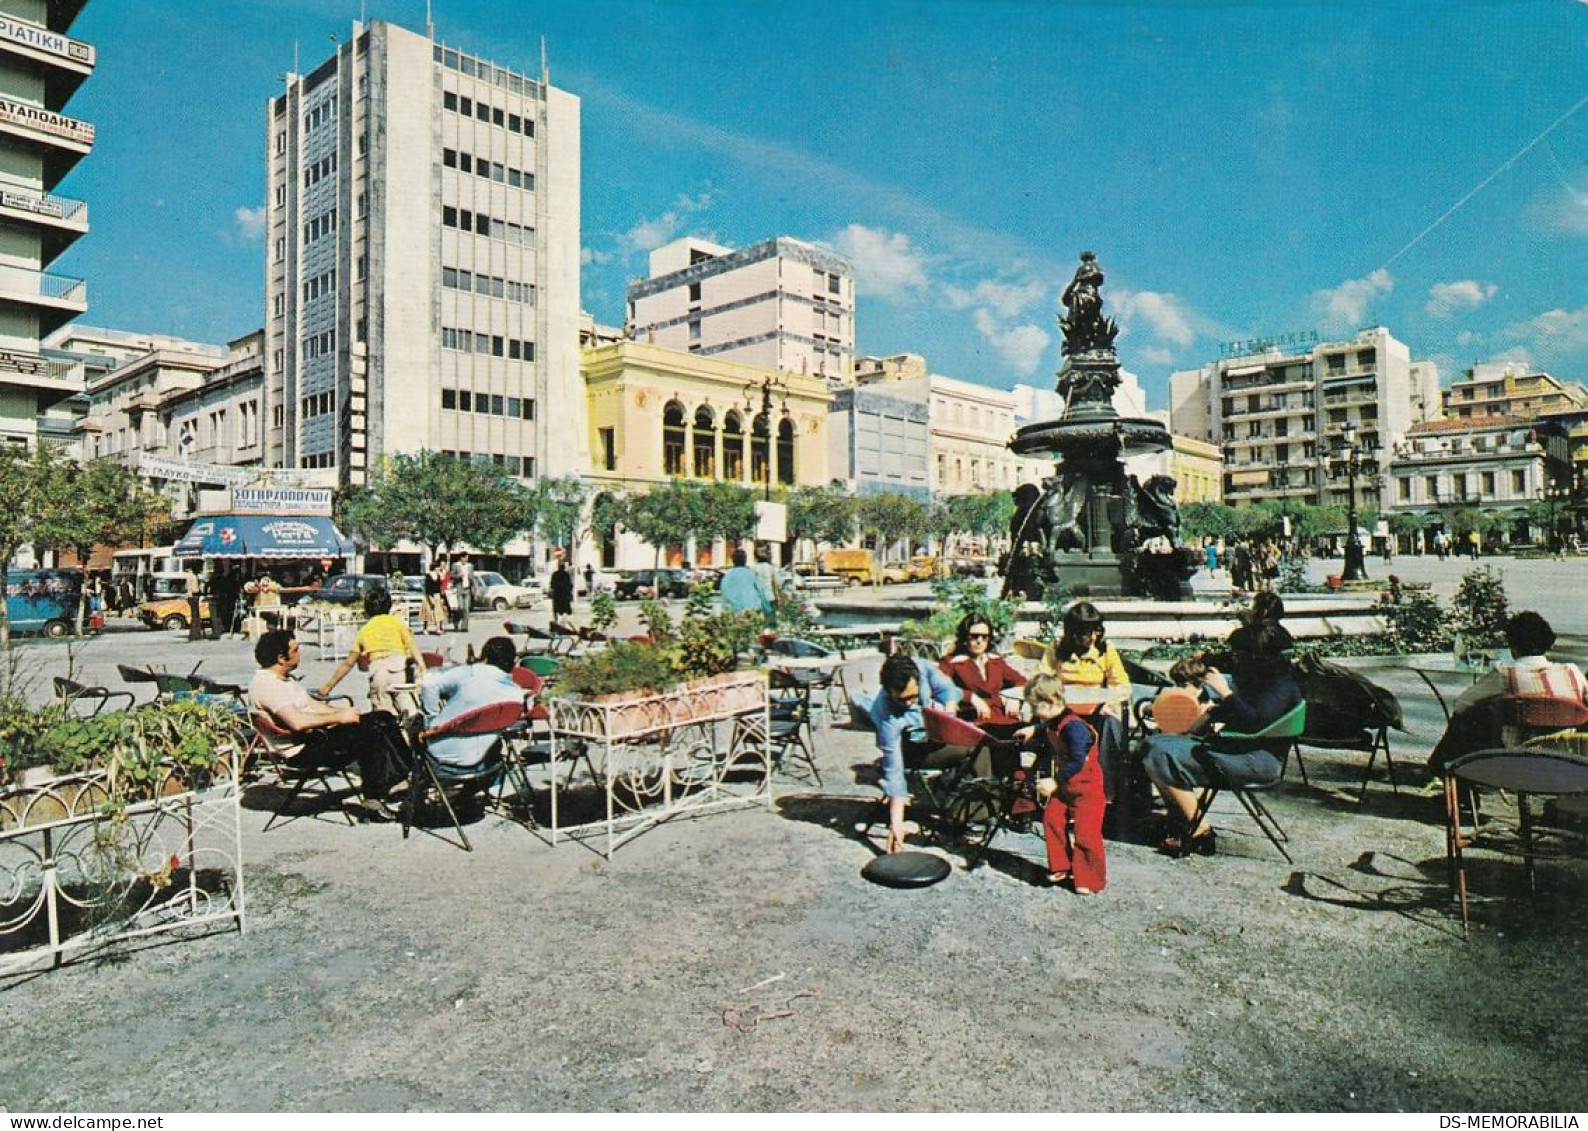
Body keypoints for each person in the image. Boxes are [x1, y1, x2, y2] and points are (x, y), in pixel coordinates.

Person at [1139, 621, 1302, 856]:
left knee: (1158, 752)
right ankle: (1181, 821)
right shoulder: (1268, 679)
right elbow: (1240, 711)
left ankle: (1199, 832)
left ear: (1257, 655)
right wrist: (1209, 715)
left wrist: (1225, 693)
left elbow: (1254, 722)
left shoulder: (1279, 686)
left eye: (1239, 654)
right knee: (1155, 744)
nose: (1235, 660)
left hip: (1256, 762)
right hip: (1240, 751)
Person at [247, 629, 410, 817]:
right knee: (370, 732)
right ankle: (377, 795)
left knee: (382, 717)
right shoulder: (268, 686)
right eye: (296, 650)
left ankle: (404, 773)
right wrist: (338, 718)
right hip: (302, 750)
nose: (300, 653)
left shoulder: (283, 679)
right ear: (281, 658)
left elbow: (310, 704)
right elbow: (297, 722)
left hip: (314, 737)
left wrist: (342, 712)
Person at [1427, 611, 1588, 775]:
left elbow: (1461, 704)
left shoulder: (1506, 675)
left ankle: (1444, 769)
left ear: (1512, 645)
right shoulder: (1572, 671)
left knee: (1466, 718)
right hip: (1567, 761)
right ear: (1549, 643)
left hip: (1516, 760)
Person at [1016, 674, 1106, 893]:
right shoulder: (1053, 721)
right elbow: (1047, 728)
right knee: (1053, 819)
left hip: (1087, 789)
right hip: (1067, 787)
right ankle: (1061, 865)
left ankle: (1090, 879)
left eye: (1035, 706)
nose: (1034, 712)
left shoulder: (1074, 728)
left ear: (1050, 702)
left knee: (1086, 833)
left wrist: (1055, 781)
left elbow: (1077, 760)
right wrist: (1033, 730)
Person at [868, 651, 960, 853]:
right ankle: (959, 813)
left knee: (979, 743)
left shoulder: (923, 667)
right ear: (888, 691)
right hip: (908, 748)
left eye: (913, 696)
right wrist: (897, 825)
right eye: (902, 700)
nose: (909, 703)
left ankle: (960, 809)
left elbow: (948, 689)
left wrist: (949, 714)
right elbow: (894, 771)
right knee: (972, 750)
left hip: (934, 732)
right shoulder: (884, 713)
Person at [1040, 601, 1131, 801]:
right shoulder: (1057, 648)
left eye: (1094, 631)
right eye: (1084, 633)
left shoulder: (1105, 649)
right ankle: (1061, 788)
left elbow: (1122, 685)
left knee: (1111, 727)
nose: (1090, 638)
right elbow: (1041, 680)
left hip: (1096, 711)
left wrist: (1110, 702)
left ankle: (1105, 793)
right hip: (1064, 712)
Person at [419, 636, 524, 771]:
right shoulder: (516, 695)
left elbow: (429, 684)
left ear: (485, 657)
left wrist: (431, 719)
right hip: (481, 759)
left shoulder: (469, 672)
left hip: (441, 753)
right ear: (513, 662)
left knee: (412, 725)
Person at [318, 586, 427, 715]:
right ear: (389, 606)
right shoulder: (398, 624)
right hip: (399, 672)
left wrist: (328, 686)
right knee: (409, 711)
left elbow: (348, 663)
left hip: (378, 673)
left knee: (384, 717)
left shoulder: (365, 630)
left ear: (367, 610)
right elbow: (413, 649)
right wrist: (422, 670)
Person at [938, 612, 1026, 739]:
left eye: (984, 637)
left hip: (1002, 719)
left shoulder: (995, 661)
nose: (979, 641)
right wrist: (970, 697)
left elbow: (1023, 682)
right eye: (974, 636)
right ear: (964, 638)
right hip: (973, 721)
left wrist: (1015, 697)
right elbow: (940, 687)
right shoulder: (951, 662)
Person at [718, 548, 772, 617]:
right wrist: (767, 609)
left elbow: (724, 592)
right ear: (745, 560)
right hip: (752, 609)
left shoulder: (728, 576)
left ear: (733, 561)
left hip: (734, 610)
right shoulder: (752, 574)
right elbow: (761, 592)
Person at [422, 559, 446, 635]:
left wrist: (442, 597)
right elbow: (427, 588)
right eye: (438, 567)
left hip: (437, 595)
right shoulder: (428, 575)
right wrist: (429, 598)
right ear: (434, 567)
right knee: (427, 613)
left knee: (438, 613)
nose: (439, 568)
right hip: (429, 595)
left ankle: (438, 628)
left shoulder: (438, 575)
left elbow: (439, 587)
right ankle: (425, 628)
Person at [452, 552, 473, 632]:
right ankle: (456, 623)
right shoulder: (456, 565)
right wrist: (458, 576)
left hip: (467, 589)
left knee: (466, 609)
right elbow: (452, 575)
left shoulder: (470, 566)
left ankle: (464, 627)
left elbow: (472, 577)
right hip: (459, 588)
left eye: (467, 558)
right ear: (461, 558)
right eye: (465, 557)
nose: (466, 559)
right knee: (460, 608)